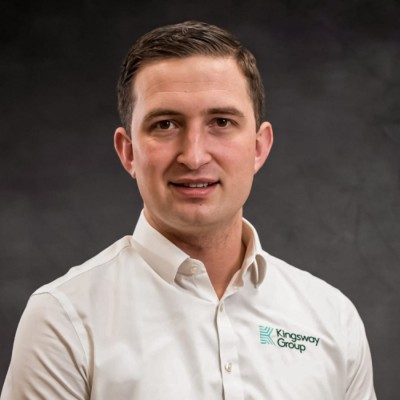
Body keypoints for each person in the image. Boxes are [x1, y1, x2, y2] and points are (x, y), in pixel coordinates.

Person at [1, 21, 376, 399]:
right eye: (165, 124)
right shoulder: (64, 320)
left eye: (222, 122)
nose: (194, 156)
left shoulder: (332, 318)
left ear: (259, 147)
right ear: (128, 152)